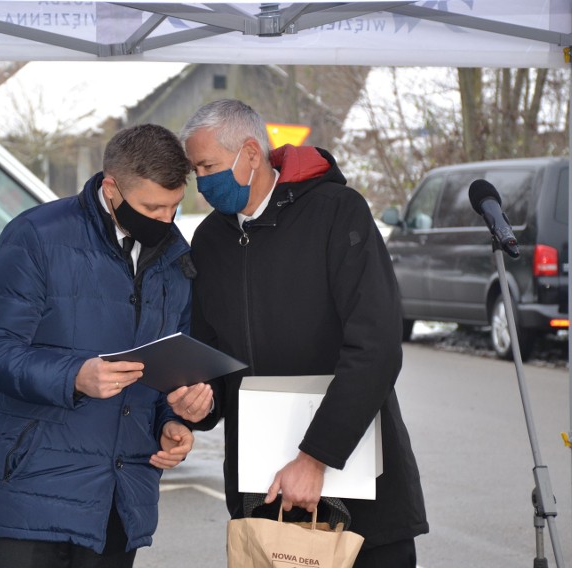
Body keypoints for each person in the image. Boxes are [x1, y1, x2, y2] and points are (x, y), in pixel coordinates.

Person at [169, 99, 429, 566]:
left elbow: (376, 347)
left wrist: (316, 457)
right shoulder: (209, 240)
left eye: (207, 166)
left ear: (250, 153)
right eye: (195, 170)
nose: (201, 183)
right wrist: (200, 404)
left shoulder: (337, 212)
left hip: (357, 485)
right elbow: (213, 356)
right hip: (264, 497)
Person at [0, 124, 198, 568]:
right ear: (111, 188)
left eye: (175, 207)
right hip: (26, 498)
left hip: (119, 500)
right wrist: (76, 376)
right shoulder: (37, 236)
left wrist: (172, 421)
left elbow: (170, 360)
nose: (166, 220)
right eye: (152, 207)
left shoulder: (174, 256)